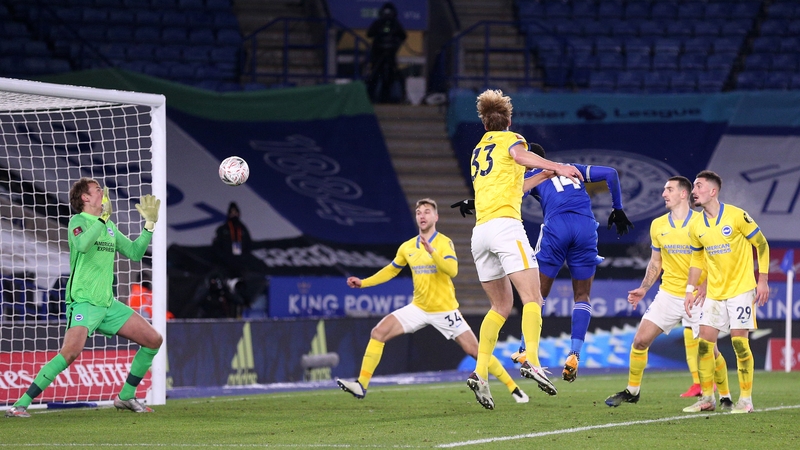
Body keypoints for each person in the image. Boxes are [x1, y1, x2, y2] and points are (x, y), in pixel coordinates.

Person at [336, 199, 530, 404]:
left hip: (445, 311)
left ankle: (513, 388)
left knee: (475, 350)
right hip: (418, 308)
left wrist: (432, 253)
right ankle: (361, 385)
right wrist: (363, 283)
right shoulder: (407, 246)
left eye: (427, 212)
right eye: (419, 212)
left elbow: (452, 270)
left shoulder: (444, 243)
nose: (422, 215)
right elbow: (391, 270)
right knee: (378, 332)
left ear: (435, 217)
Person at [5, 178, 162, 418]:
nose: (103, 192)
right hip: (84, 302)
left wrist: (149, 225)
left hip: (108, 304)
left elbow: (134, 252)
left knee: (153, 339)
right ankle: (20, 404)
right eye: (97, 190)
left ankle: (126, 396)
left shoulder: (109, 226)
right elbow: (83, 244)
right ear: (85, 198)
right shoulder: (77, 222)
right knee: (70, 353)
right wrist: (101, 220)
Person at [466, 89, 582, 409]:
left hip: (481, 234)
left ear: (485, 121)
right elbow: (519, 155)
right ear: (509, 121)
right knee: (533, 297)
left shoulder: (478, 149)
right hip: (506, 227)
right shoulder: (512, 139)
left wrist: (541, 175)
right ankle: (531, 359)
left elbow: (514, 186)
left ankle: (479, 371)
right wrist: (556, 166)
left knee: (500, 307)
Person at [506, 143, 633, 383]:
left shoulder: (532, 174)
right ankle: (574, 353)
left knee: (536, 296)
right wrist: (617, 209)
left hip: (557, 227)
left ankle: (525, 350)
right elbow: (610, 174)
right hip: (585, 227)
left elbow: (510, 195)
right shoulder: (570, 168)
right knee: (582, 295)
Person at [605, 176, 732, 409]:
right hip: (669, 294)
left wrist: (704, 286)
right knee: (640, 341)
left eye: (669, 190)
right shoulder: (658, 225)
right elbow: (656, 262)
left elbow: (719, 258)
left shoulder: (702, 222)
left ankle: (724, 396)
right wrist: (644, 288)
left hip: (698, 297)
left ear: (683, 194)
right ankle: (632, 391)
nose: (664, 194)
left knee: (710, 350)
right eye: (664, 189)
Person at [682, 170, 770, 414]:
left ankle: (746, 400)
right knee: (704, 345)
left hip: (741, 289)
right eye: (693, 187)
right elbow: (697, 258)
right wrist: (691, 289)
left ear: (713, 191)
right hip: (714, 293)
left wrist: (762, 280)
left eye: (699, 186)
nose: (694, 191)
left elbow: (761, 244)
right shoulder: (696, 225)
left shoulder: (736, 215)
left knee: (740, 345)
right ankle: (708, 398)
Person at [366, 2, 407, 103]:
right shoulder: (378, 23)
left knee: (393, 76)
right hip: (378, 55)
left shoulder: (395, 24)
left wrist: (395, 41)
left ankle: (396, 97)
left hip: (390, 55)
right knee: (375, 76)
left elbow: (403, 36)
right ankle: (371, 97)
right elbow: (369, 34)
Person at [213, 202, 252, 276]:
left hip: (240, 262)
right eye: (232, 212)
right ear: (228, 214)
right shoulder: (223, 229)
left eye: (235, 212)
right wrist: (223, 256)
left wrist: (244, 257)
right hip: (225, 263)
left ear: (238, 214)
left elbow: (249, 243)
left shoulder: (243, 229)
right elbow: (216, 244)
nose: (234, 214)